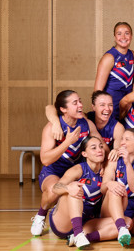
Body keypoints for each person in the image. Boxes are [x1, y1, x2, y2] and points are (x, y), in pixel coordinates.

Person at [31, 90, 101, 236]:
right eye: (75, 103)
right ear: (63, 109)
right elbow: (45, 159)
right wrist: (67, 142)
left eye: (80, 101)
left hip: (76, 171)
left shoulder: (86, 123)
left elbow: (99, 143)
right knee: (52, 191)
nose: (80, 105)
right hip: (54, 171)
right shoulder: (52, 127)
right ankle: (41, 215)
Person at [48, 136, 118, 249]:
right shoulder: (79, 169)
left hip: (87, 221)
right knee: (75, 188)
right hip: (64, 222)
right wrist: (68, 188)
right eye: (93, 148)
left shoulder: (107, 171)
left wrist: (116, 150)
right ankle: (78, 233)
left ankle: (83, 237)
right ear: (84, 154)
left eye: (101, 147)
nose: (99, 150)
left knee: (125, 222)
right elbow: (55, 187)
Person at [45, 91, 124, 152]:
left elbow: (116, 152)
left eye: (110, 105)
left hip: (102, 161)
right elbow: (49, 107)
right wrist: (56, 123)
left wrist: (106, 163)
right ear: (93, 107)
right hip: (83, 162)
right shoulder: (85, 118)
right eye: (102, 105)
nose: (107, 108)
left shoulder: (117, 127)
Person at [94, 22, 134, 117]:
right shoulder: (109, 58)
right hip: (110, 109)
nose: (123, 37)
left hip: (127, 108)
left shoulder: (132, 54)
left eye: (127, 33)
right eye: (119, 33)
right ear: (114, 37)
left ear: (131, 36)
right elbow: (97, 91)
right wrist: (102, 113)